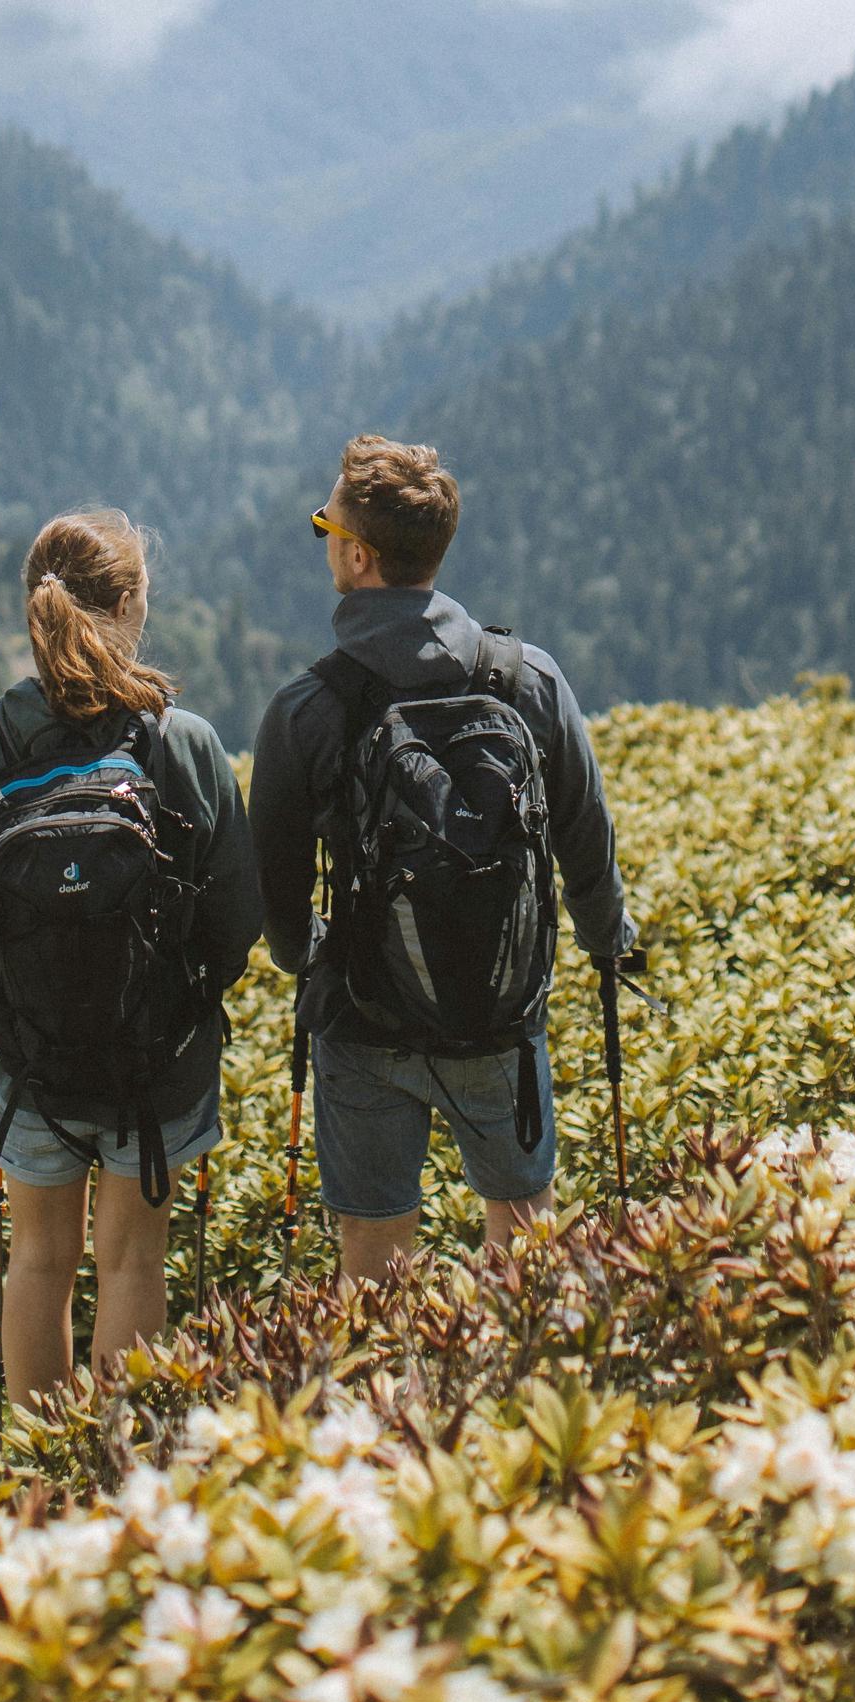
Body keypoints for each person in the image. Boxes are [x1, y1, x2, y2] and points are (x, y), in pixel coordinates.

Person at [248, 435, 635, 1282]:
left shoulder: (307, 710)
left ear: (355, 557)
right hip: (499, 1014)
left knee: (375, 1267)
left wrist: (306, 958)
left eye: (325, 530)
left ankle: (389, 1407)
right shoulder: (526, 679)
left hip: (362, 1021)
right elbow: (584, 832)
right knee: (527, 1240)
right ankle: (509, 1393)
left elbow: (271, 888)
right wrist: (608, 940)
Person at [0, 509, 262, 1405]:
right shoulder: (178, 741)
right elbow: (237, 918)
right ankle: (115, 1475)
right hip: (158, 1062)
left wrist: (27, 990)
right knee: (133, 1259)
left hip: (32, 1058)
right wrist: (177, 997)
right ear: (133, 607)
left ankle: (45, 1474)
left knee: (37, 1261)